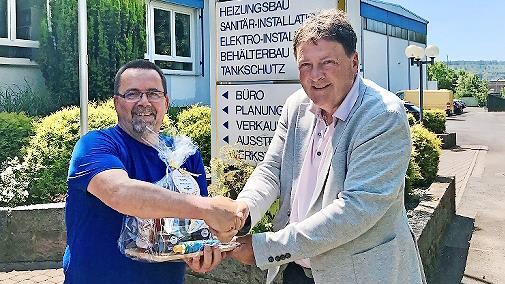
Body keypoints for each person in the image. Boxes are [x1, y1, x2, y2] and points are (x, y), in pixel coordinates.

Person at [228, 9, 426, 284]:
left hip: (361, 275)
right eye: (305, 65)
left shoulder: (382, 115)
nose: (315, 75)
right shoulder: (296, 106)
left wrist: (265, 247)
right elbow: (272, 169)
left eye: (327, 62)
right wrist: (242, 211)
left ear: (354, 62)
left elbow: (355, 210)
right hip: (295, 269)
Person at [64, 59, 242, 283]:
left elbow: (199, 229)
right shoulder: (95, 145)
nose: (144, 102)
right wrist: (208, 208)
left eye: (153, 93)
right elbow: (119, 193)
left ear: (166, 103)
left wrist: (209, 247)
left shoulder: (185, 155)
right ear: (116, 103)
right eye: (132, 94)